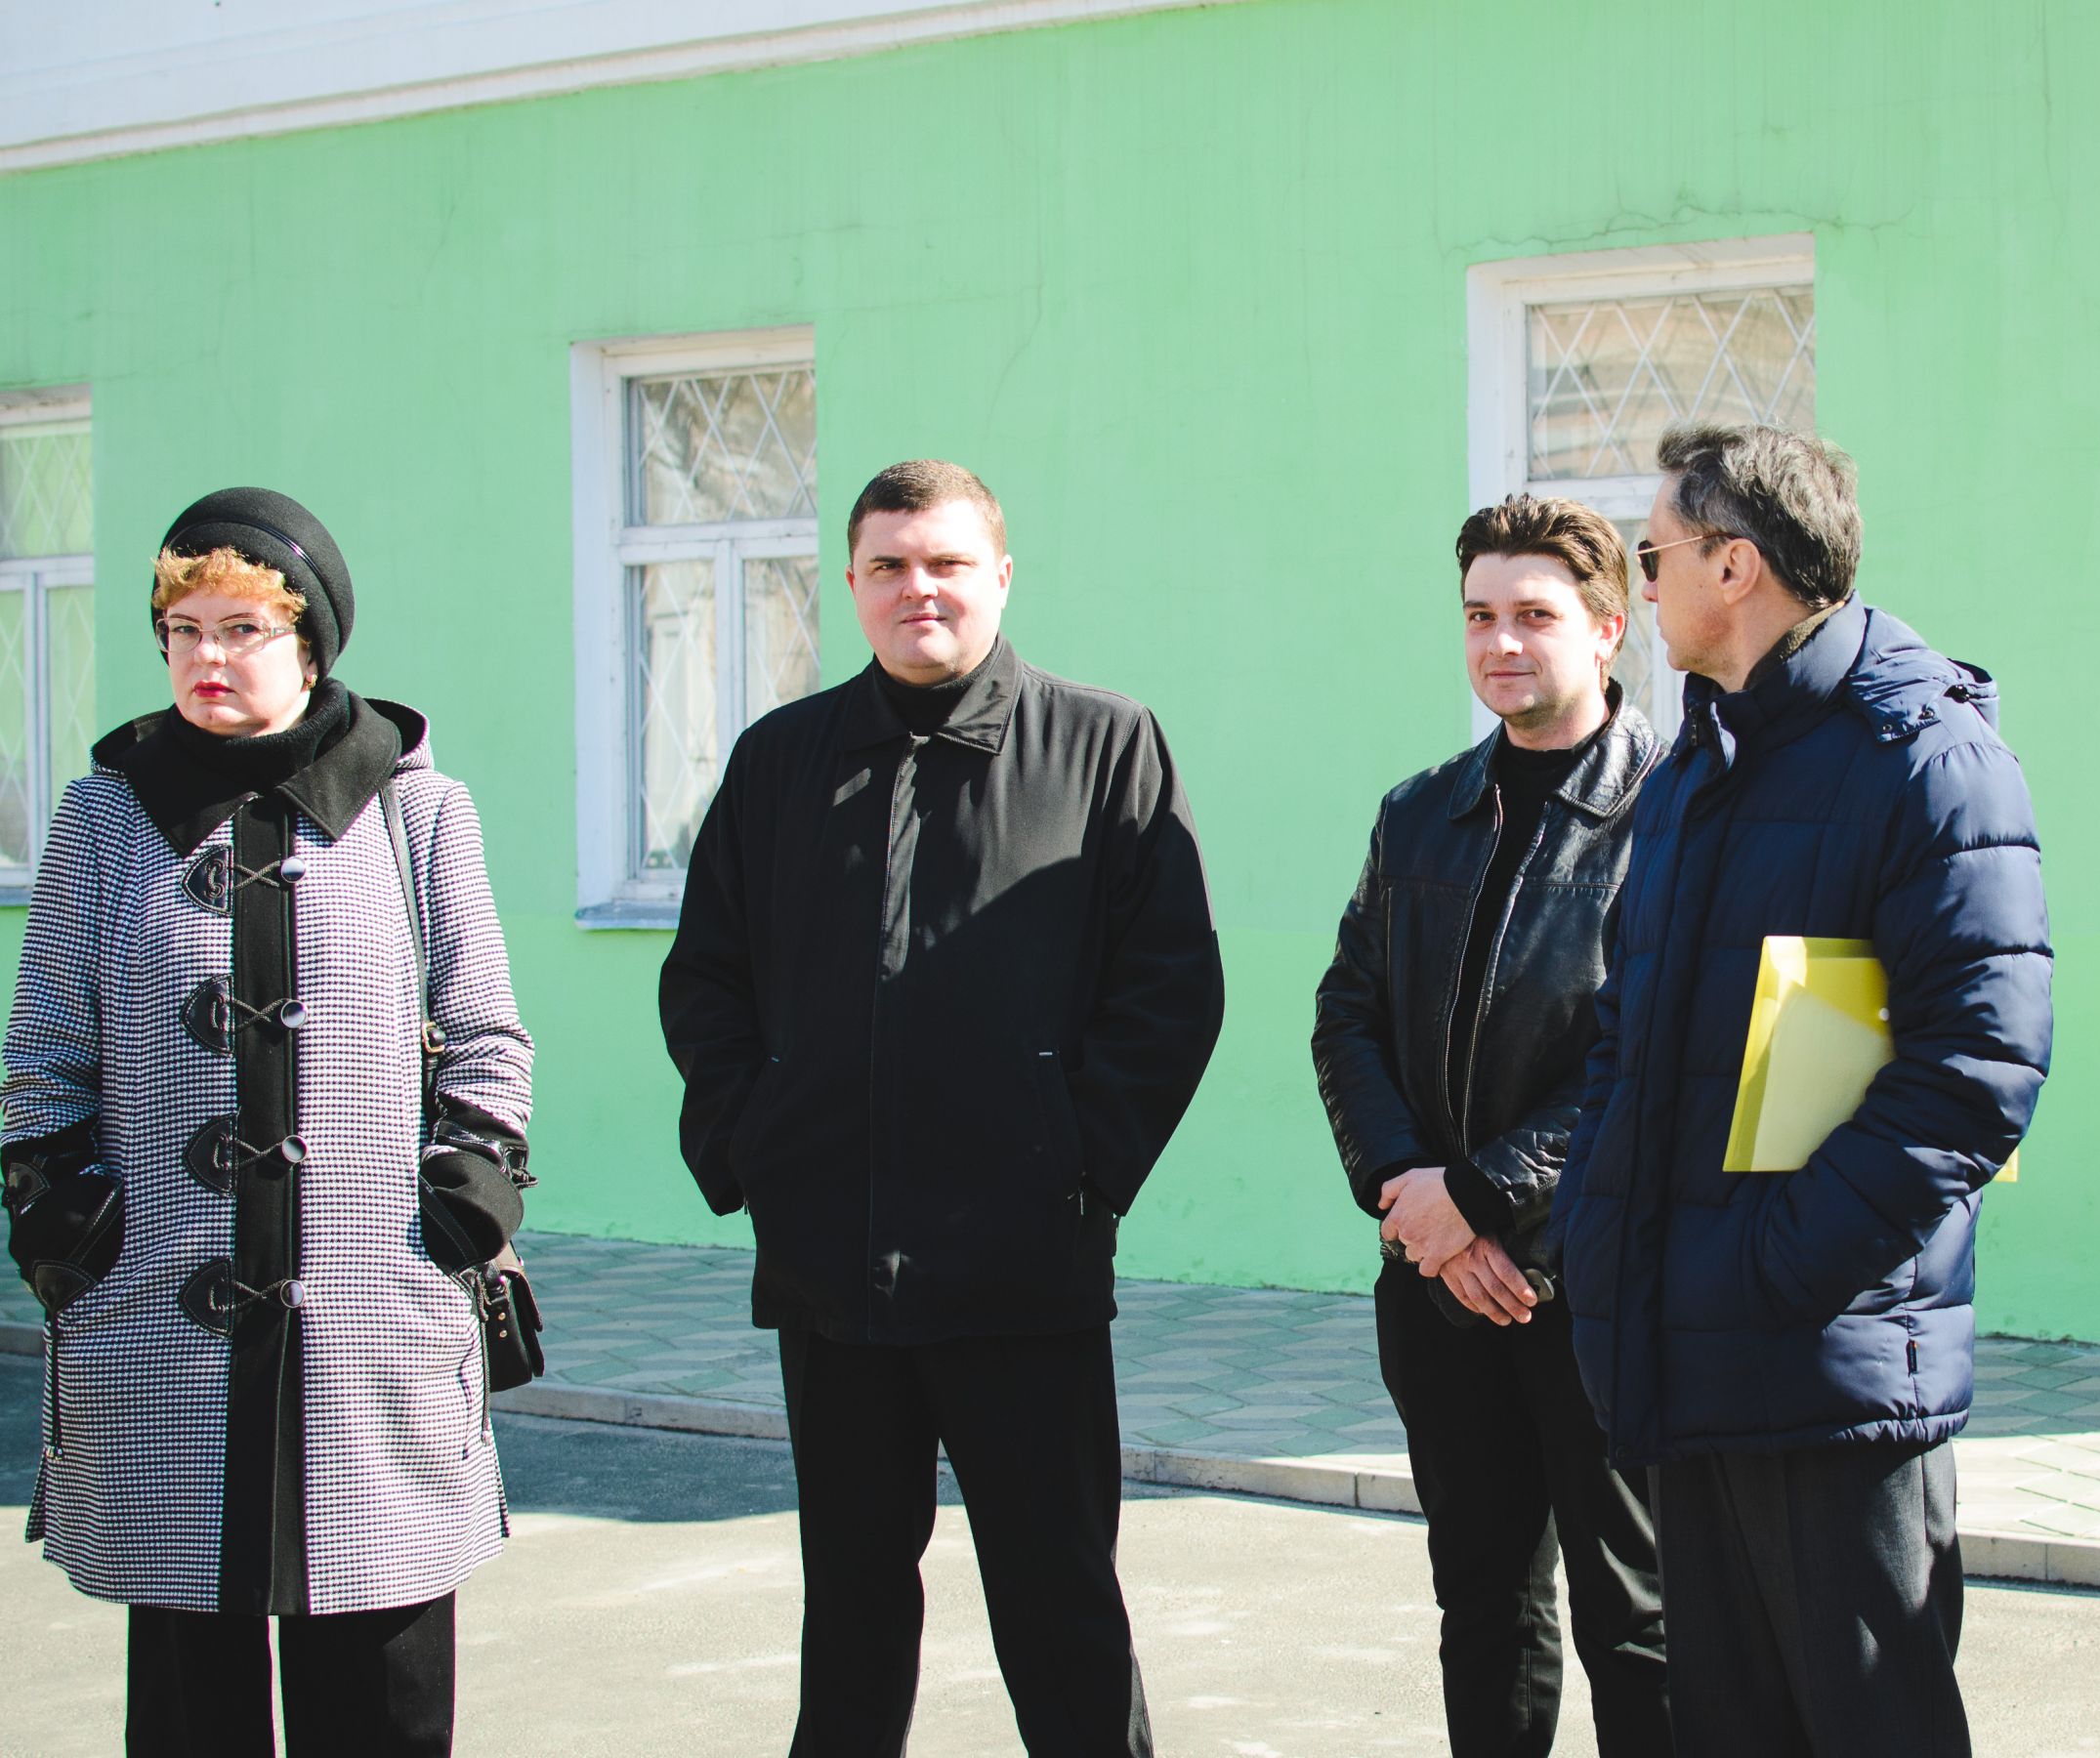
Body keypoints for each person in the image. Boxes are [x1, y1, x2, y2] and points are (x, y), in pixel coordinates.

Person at [657, 459, 1223, 1756]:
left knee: (1060, 1607)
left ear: (1000, 576)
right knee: (851, 1613)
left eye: (948, 563)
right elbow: (707, 979)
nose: (920, 589)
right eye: (891, 566)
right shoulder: (780, 761)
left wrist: (1079, 1166)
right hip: (833, 1271)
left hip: (1026, 1268)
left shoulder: (1103, 746)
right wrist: (755, 1148)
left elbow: (1170, 987)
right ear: (853, 583)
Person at [3, 487, 535, 1756]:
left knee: (379, 1684)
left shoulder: (416, 810)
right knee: (192, 1697)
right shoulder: (103, 818)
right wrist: (64, 1220)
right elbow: (42, 1060)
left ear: (310, 644)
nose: (208, 656)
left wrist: (466, 1197)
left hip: (373, 1318)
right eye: (182, 630)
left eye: (241, 628)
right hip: (160, 1317)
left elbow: (486, 1036)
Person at [1547, 423, 2052, 1755]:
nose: (1643, 585)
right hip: (1690, 1345)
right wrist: (1597, 1235)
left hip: (1829, 1364)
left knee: (1870, 1730)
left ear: (1736, 565)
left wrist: (1775, 1264)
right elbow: (1624, 1039)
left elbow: (1978, 1069)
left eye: (1653, 554)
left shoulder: (1921, 756)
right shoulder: (1697, 766)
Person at [1313, 494, 1670, 1756]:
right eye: (1478, 616)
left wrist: (1481, 1198)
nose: (1501, 643)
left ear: (1609, 628)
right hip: (1437, 1289)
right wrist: (1413, 1194)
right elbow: (1347, 1014)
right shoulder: (1421, 811)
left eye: (1534, 615)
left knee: (1637, 1620)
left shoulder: (1674, 815)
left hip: (1598, 1286)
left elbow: (1653, 1054)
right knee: (1482, 1605)